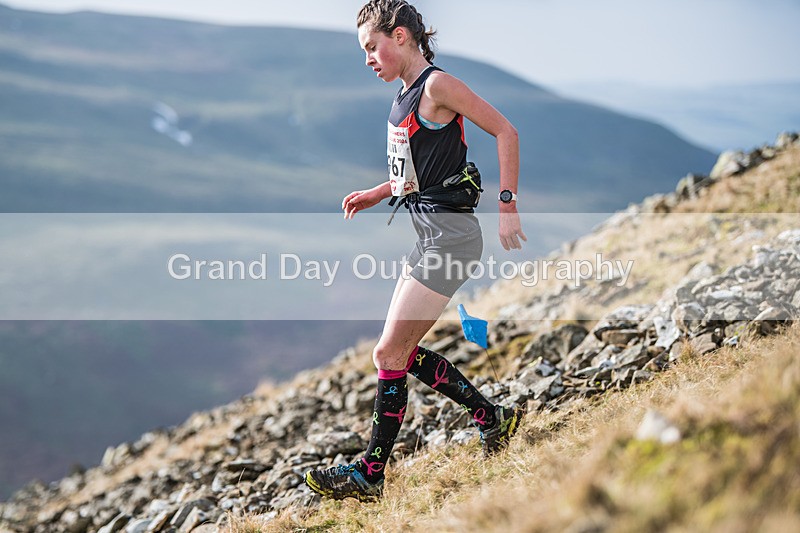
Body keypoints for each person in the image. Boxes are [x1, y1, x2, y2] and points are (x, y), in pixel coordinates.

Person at [305, 0, 527, 503]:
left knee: (389, 353)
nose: (368, 59)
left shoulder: (436, 86)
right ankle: (492, 418)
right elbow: (415, 171)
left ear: (400, 36)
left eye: (372, 46)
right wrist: (376, 193)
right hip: (430, 238)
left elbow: (506, 131)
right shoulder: (404, 95)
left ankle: (370, 474)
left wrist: (507, 202)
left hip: (452, 240)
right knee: (395, 352)